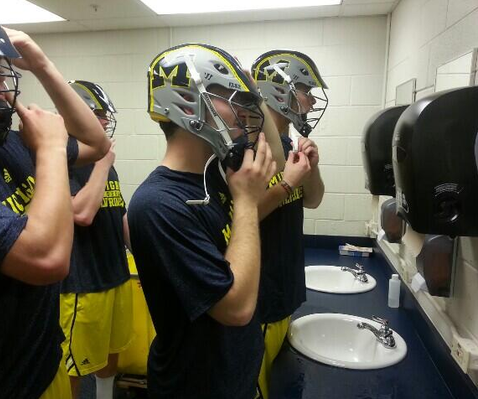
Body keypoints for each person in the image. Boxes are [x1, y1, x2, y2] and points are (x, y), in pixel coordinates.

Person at [0, 1, 110, 398]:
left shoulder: (6, 146)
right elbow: (47, 259)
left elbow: (95, 142)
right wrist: (51, 150)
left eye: (1, 67)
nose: (1, 80)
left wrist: (42, 65)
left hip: (39, 365)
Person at [128, 43, 276, 399]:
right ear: (185, 104)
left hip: (233, 376)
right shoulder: (158, 204)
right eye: (229, 97)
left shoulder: (214, 178)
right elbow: (236, 308)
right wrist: (245, 201)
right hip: (194, 386)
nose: (246, 110)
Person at [251, 50, 328, 398]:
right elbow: (244, 216)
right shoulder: (252, 148)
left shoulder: (287, 144)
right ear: (279, 92)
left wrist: (312, 166)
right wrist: (286, 183)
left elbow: (312, 199)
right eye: (306, 92)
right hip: (260, 295)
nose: (311, 103)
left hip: (284, 288)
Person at [60, 80, 133, 399]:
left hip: (115, 276)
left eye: (106, 115)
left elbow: (118, 214)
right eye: (98, 114)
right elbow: (81, 214)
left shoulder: (104, 164)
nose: (105, 122)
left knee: (110, 353)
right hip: (81, 285)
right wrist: (103, 164)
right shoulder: (62, 160)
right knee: (73, 367)